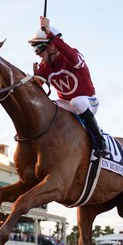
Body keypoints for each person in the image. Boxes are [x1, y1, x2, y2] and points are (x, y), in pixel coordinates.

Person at [28, 16, 110, 158]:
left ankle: (100, 141)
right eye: (35, 49)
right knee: (48, 106)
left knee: (77, 102)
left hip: (88, 101)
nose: (38, 53)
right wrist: (33, 80)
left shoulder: (72, 57)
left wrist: (50, 34)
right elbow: (35, 90)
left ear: (52, 46)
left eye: (40, 48)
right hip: (66, 103)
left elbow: (71, 55)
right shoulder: (44, 67)